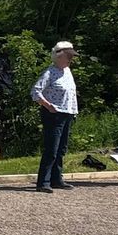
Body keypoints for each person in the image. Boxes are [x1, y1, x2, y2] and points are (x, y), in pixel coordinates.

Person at [31, 40, 78, 194]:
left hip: (67, 114)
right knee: (51, 148)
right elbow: (35, 91)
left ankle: (56, 179)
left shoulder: (67, 71)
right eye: (68, 57)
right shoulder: (50, 72)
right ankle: (43, 181)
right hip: (54, 114)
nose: (70, 60)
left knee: (61, 148)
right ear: (58, 56)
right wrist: (47, 105)